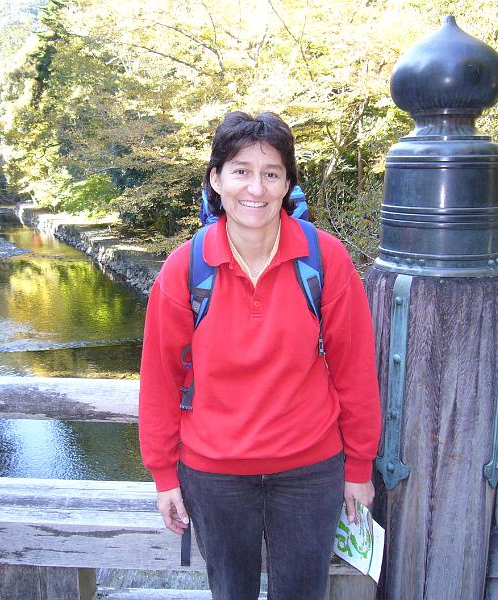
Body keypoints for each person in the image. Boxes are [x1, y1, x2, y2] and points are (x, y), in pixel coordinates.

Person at [138, 111, 381, 600]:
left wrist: (358, 468)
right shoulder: (186, 268)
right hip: (214, 473)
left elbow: (354, 369)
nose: (256, 187)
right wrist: (164, 473)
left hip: (310, 470)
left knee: (303, 592)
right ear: (216, 179)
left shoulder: (324, 259)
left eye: (271, 173)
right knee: (231, 593)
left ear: (288, 183)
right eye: (241, 170)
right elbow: (160, 379)